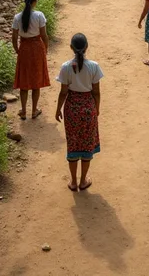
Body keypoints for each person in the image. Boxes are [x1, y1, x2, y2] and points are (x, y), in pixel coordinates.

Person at [55, 33, 103, 192]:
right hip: (88, 108)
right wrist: (96, 108)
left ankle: (73, 182)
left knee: (73, 143)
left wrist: (58, 109)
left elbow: (63, 92)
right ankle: (83, 181)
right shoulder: (94, 66)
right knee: (87, 144)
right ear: (87, 47)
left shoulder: (66, 67)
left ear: (71, 48)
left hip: (72, 109)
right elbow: (96, 92)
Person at [12, 0, 50, 119]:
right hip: (37, 48)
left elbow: (14, 36)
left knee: (24, 81)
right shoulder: (39, 16)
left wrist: (17, 49)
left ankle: (23, 111)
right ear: (35, 2)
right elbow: (44, 35)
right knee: (36, 81)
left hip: (24, 49)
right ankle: (34, 110)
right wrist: (46, 48)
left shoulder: (17, 17)